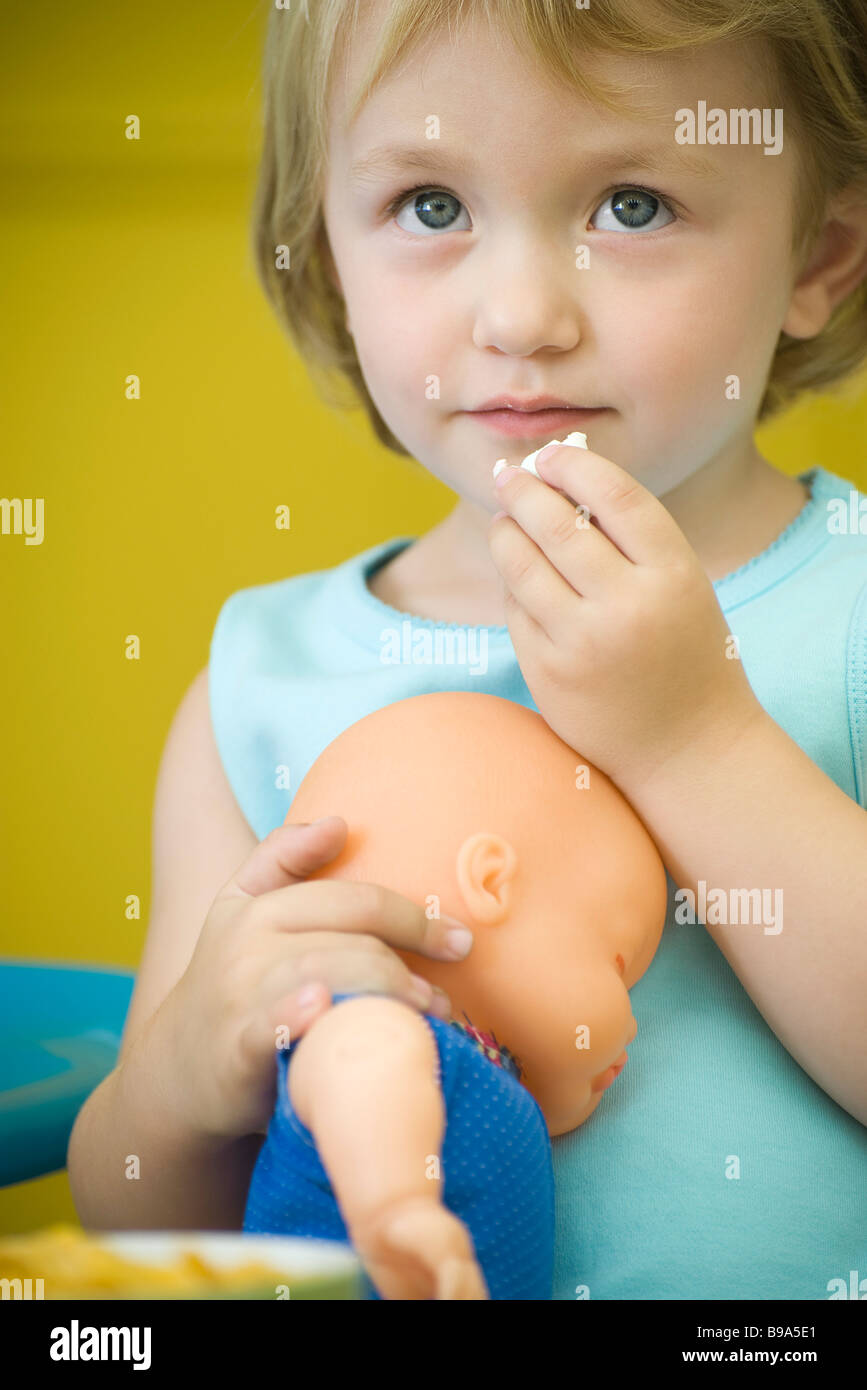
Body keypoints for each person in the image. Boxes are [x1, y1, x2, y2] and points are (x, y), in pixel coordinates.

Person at [68, 0, 867, 1300]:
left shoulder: (850, 606)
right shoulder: (263, 686)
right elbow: (137, 1213)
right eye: (432, 207)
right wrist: (186, 1071)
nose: (522, 314)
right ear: (327, 252)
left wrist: (696, 742)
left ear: (820, 255)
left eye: (635, 205)